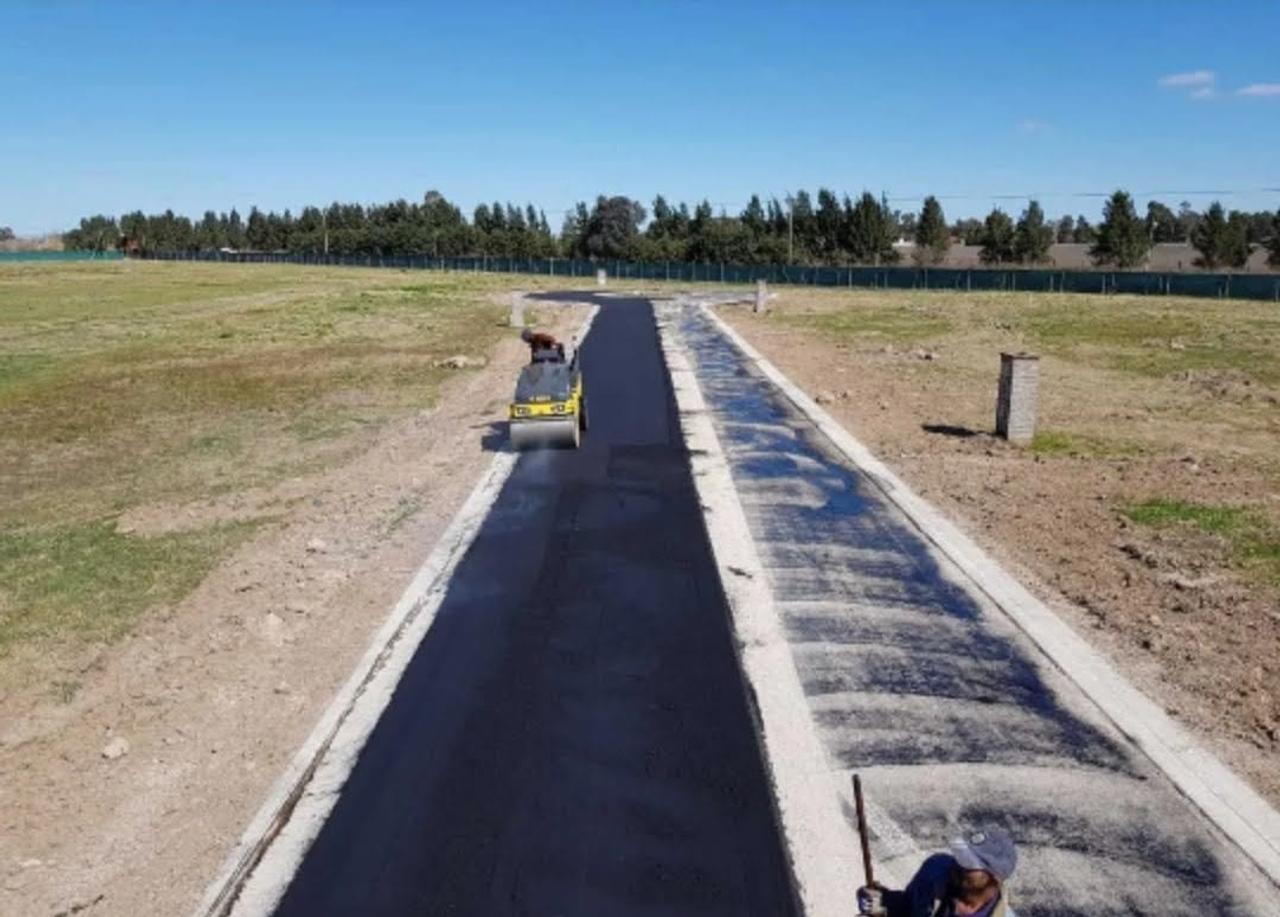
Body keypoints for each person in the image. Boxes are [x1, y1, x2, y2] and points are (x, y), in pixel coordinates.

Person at [856, 826, 1018, 917]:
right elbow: (909, 906)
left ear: (994, 879)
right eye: (960, 857)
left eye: (969, 864)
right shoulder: (936, 870)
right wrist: (884, 902)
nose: (959, 866)